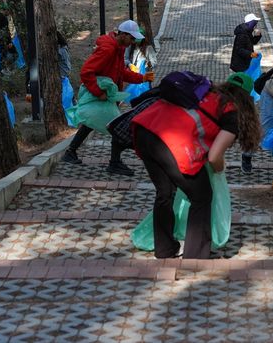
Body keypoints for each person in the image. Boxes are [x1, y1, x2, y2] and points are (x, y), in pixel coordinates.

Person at [132, 72, 261, 259]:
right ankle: (196, 255)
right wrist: (218, 170)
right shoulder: (231, 112)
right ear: (247, 99)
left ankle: (165, 249)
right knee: (201, 197)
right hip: (172, 145)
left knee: (165, 193)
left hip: (146, 132)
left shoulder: (204, 92)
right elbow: (215, 156)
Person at [61, 20, 155, 175]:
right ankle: (114, 163)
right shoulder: (109, 49)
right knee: (117, 126)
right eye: (132, 38)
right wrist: (99, 92)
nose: (133, 42)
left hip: (104, 92)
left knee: (91, 122)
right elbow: (86, 72)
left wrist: (142, 78)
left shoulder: (117, 47)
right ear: (123, 35)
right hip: (99, 92)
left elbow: (120, 72)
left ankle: (70, 152)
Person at [230, 13, 262, 173]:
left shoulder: (247, 33)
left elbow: (250, 44)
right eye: (255, 22)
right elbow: (241, 49)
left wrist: (258, 36)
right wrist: (250, 54)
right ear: (249, 22)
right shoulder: (241, 34)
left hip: (244, 65)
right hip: (240, 66)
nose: (255, 24)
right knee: (241, 86)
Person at [0, 4, 17, 71]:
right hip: (5, 40)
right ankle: (8, 69)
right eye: (8, 11)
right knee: (13, 54)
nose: (8, 13)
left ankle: (2, 70)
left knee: (3, 54)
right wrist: (9, 41)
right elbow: (5, 31)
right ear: (5, 10)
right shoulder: (3, 18)